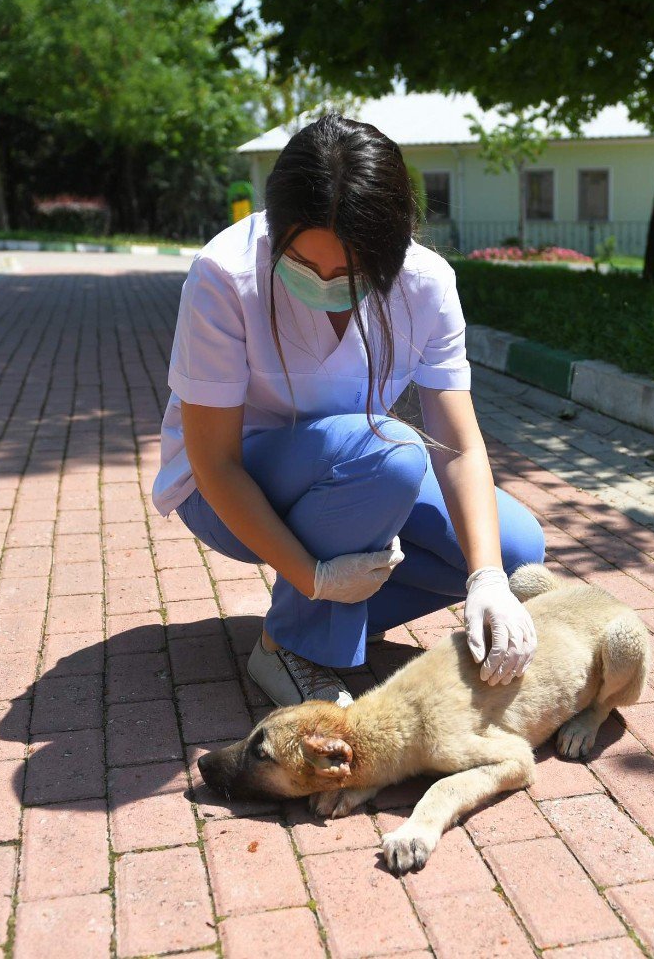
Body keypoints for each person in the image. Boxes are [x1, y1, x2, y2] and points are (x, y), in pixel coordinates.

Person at [151, 112, 546, 708]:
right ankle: (292, 644)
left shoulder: (426, 283)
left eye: (351, 270)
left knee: (515, 552)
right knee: (390, 454)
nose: (327, 283)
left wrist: (485, 581)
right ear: (275, 229)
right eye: (306, 267)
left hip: (354, 468)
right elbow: (213, 461)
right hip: (224, 490)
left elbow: (460, 446)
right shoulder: (224, 276)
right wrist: (312, 577)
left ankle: (332, 621)